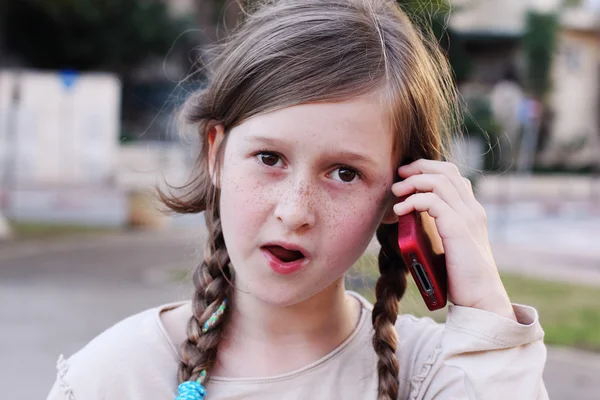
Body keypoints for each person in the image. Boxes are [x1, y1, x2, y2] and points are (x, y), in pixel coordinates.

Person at [47, 1, 548, 399]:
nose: (295, 211)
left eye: (345, 173)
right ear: (216, 154)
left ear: (401, 198)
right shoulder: (114, 378)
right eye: (269, 158)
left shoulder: (438, 378)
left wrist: (485, 304)